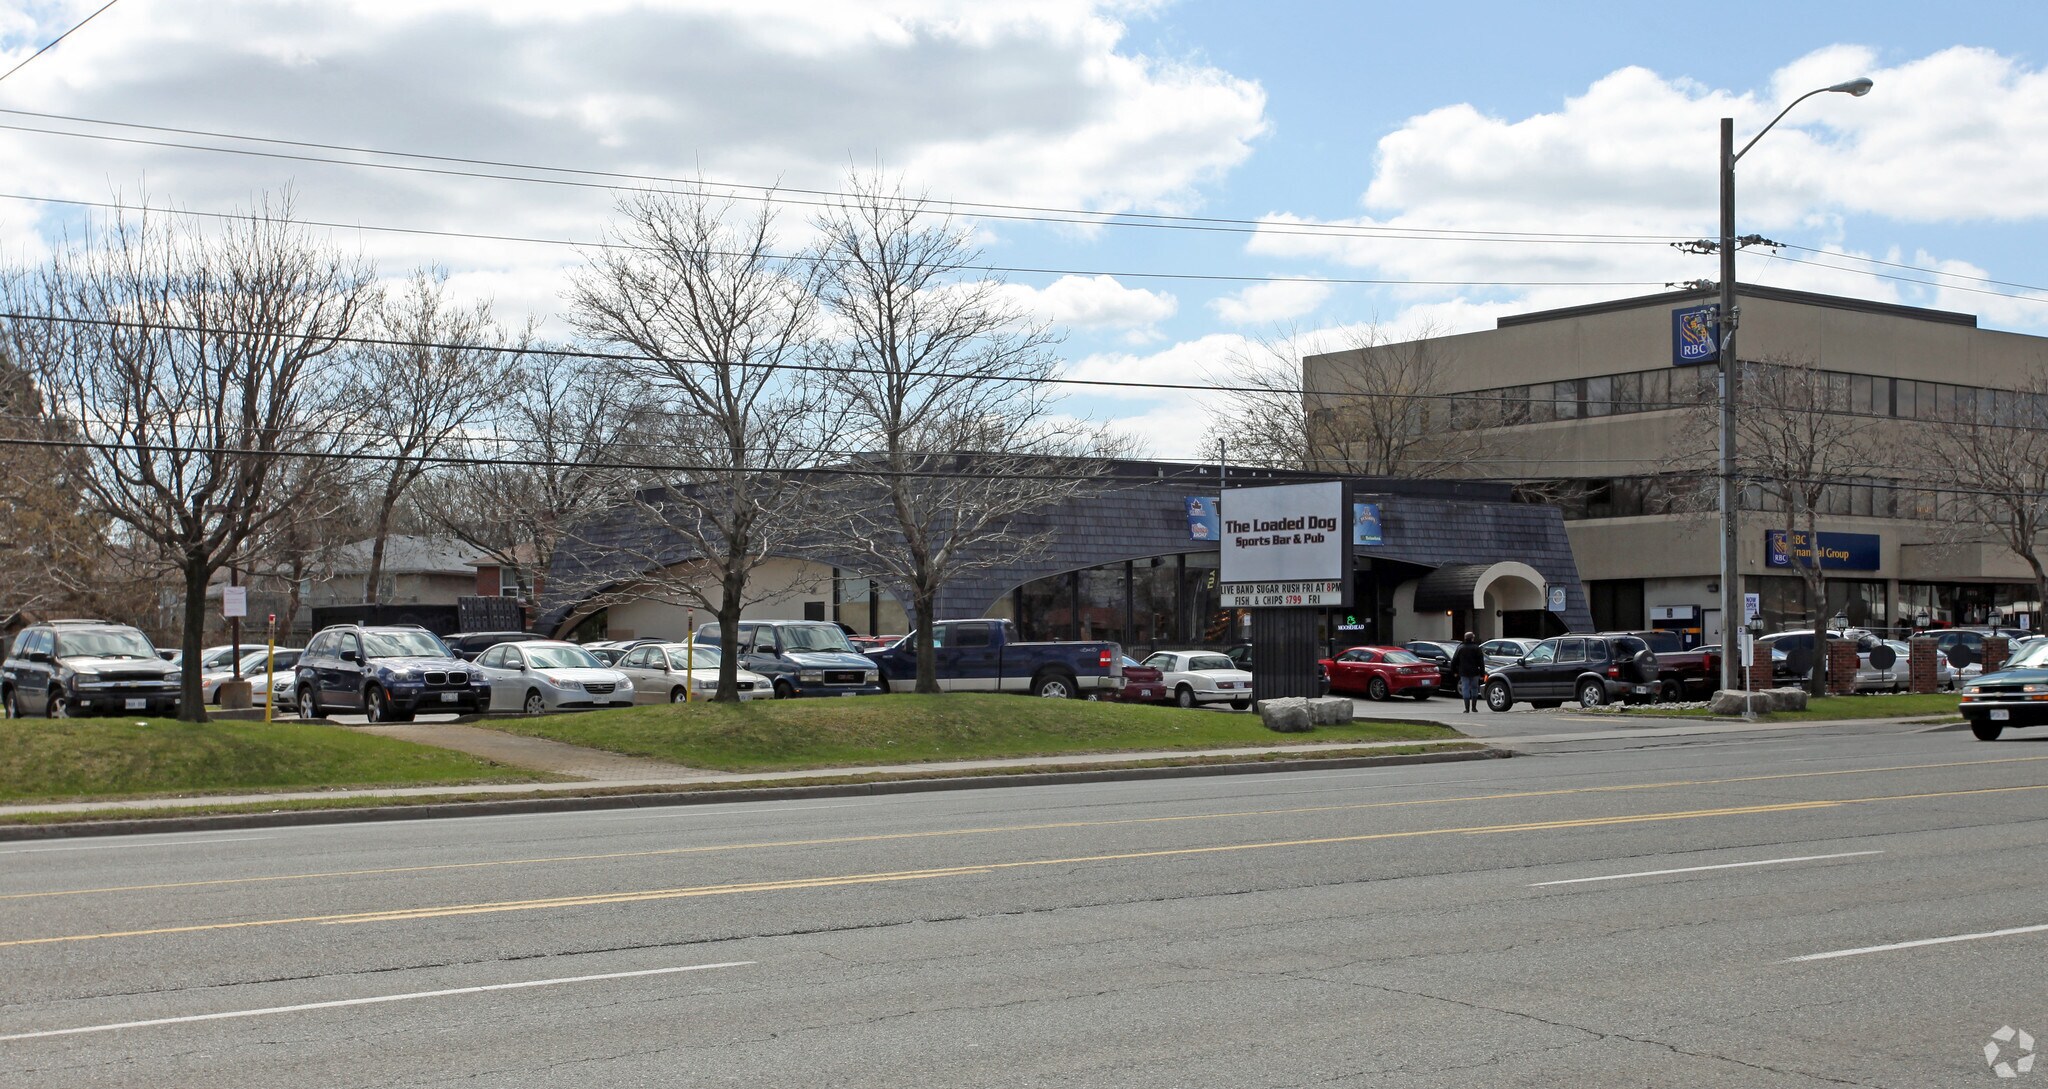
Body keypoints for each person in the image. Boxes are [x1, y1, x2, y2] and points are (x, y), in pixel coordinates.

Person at [1450, 631, 1487, 713]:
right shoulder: (1477, 648)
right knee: (1474, 689)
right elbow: (1481, 662)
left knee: (1465, 689)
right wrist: (1482, 673)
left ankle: (1467, 708)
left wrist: (1454, 671)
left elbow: (1454, 660)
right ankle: (1474, 707)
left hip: (1463, 672)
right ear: (1472, 638)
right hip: (1474, 672)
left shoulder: (1460, 648)